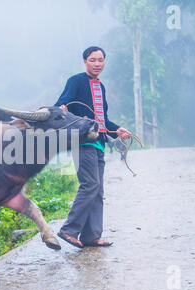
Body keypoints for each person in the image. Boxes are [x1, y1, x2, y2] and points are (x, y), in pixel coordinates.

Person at [55, 46, 131, 248]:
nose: (97, 64)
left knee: (97, 190)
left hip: (99, 142)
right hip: (82, 140)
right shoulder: (76, 81)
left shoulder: (100, 86)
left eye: (100, 60)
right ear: (85, 61)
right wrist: (62, 109)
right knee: (90, 185)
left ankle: (91, 236)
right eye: (92, 60)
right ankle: (69, 230)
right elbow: (62, 104)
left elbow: (102, 119)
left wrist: (117, 129)